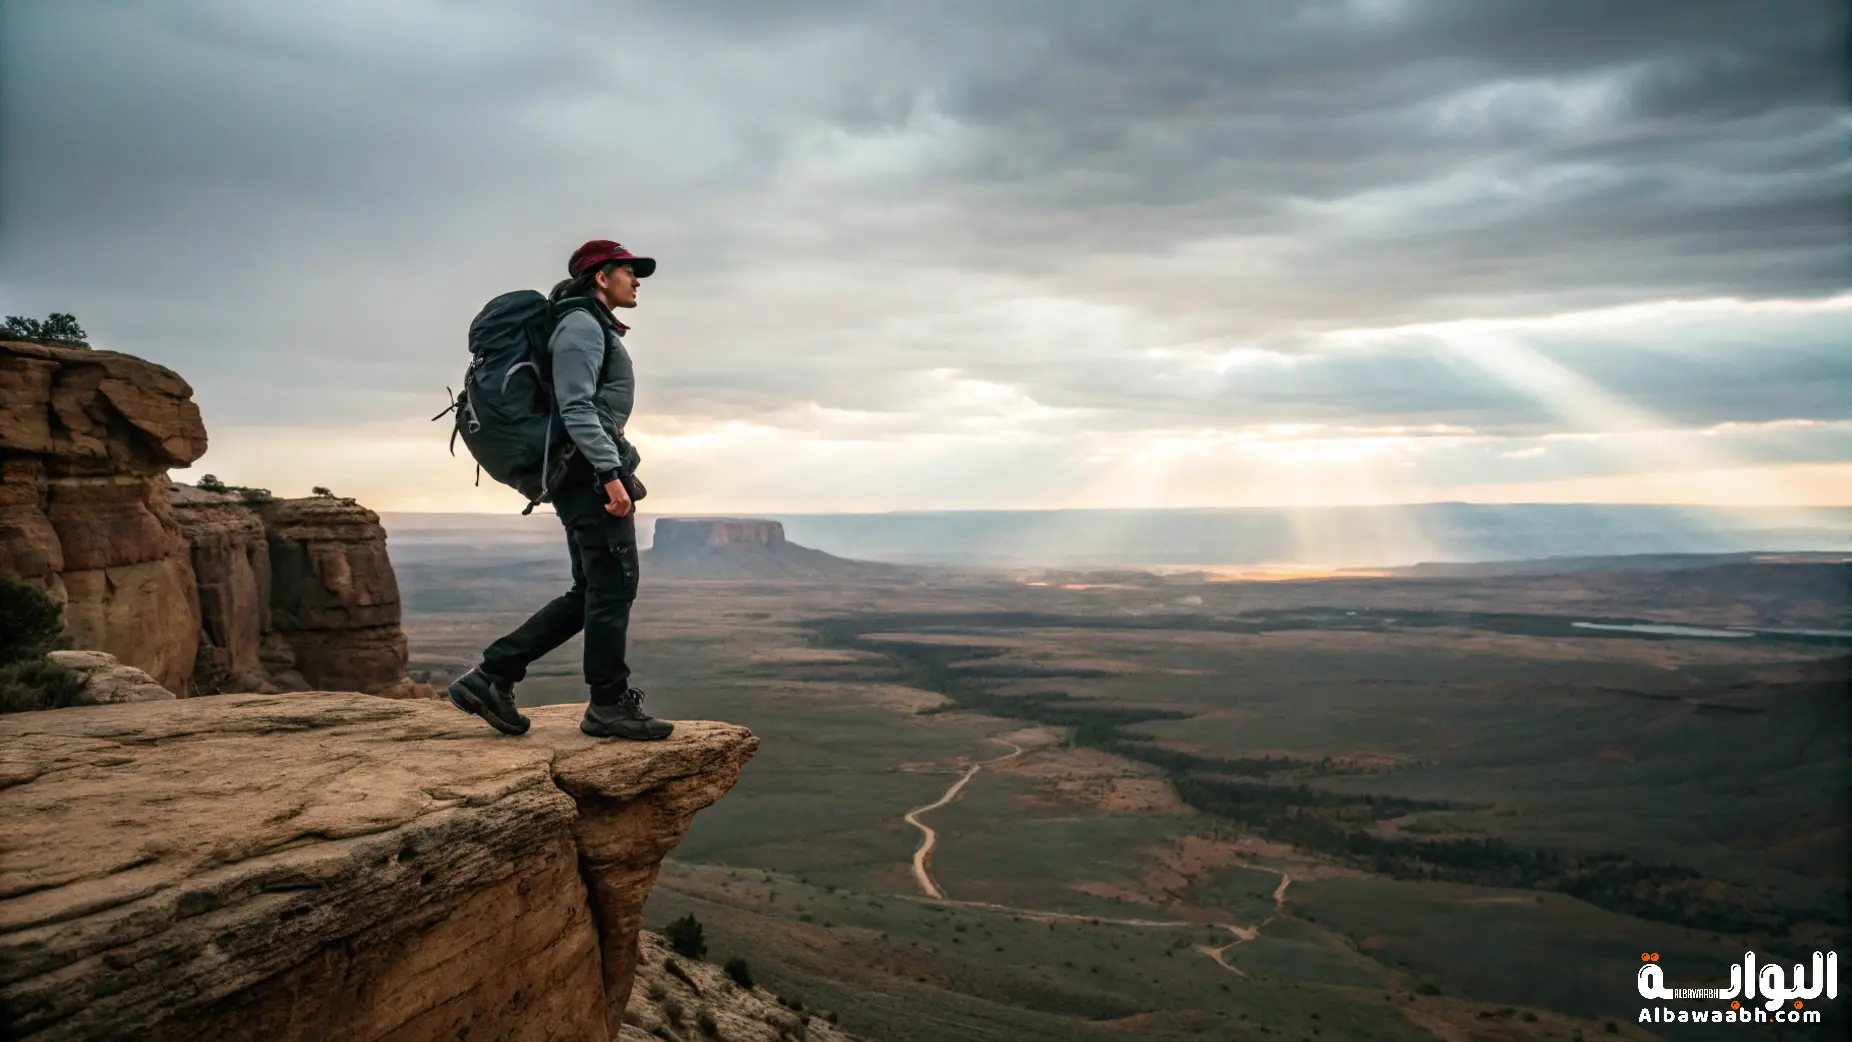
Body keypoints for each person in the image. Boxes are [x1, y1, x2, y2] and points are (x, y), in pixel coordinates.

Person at [447, 239, 673, 741]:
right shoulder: (581, 327)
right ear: (600, 277)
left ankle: (493, 675)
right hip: (588, 475)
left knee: (593, 589)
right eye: (628, 271)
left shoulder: (585, 325)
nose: (636, 281)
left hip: (581, 472)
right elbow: (577, 409)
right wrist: (611, 476)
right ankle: (608, 705)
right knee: (613, 586)